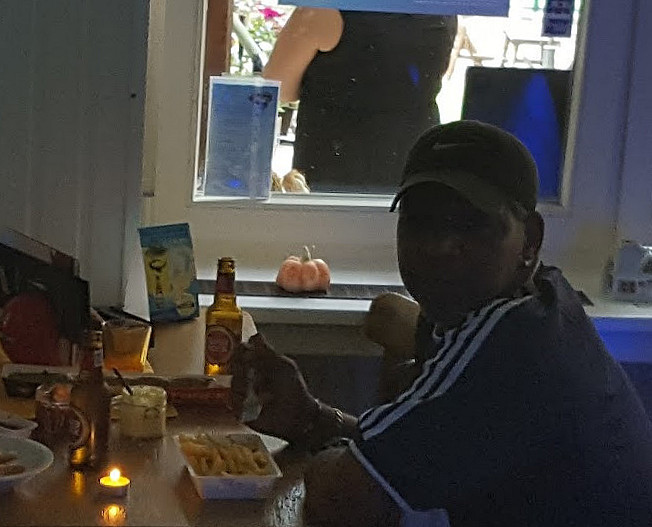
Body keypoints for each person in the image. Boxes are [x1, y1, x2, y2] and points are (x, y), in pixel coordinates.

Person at [231, 120, 652, 526]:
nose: (440, 246)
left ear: (530, 240)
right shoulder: (538, 301)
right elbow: (416, 456)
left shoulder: (509, 348)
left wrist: (332, 449)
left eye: (471, 225)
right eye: (420, 221)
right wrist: (310, 417)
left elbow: (340, 499)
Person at [262, 8, 456, 193]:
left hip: (337, 166)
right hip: (417, 161)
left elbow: (279, 86)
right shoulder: (441, 10)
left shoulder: (323, 10)